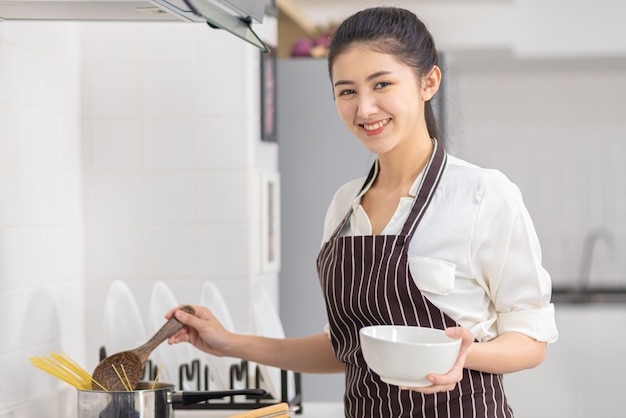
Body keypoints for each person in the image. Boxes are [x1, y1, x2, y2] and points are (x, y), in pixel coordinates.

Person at [166, 6, 559, 417]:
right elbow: (345, 349)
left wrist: (466, 355)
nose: (365, 109)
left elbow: (531, 342)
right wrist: (230, 343)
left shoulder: (483, 195)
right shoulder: (343, 204)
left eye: (382, 84)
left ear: (429, 82)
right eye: (347, 91)